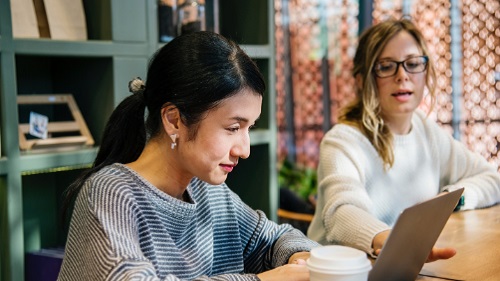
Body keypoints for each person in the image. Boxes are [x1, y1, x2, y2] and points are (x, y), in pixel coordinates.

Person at [58, 31, 320, 281]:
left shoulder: (208, 191)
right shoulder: (110, 194)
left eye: (249, 128)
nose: (245, 149)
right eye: (232, 128)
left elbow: (274, 239)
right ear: (174, 120)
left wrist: (302, 258)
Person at [307, 18, 500, 262]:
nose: (402, 75)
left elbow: (492, 179)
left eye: (412, 64)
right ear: (362, 79)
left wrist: (453, 199)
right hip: (344, 272)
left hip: (405, 267)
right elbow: (342, 212)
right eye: (386, 66)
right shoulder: (342, 141)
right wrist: (392, 241)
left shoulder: (426, 130)